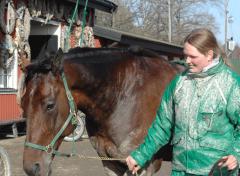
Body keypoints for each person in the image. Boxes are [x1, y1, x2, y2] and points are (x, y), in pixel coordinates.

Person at [126, 28, 240, 176]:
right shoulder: (178, 83)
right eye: (185, 55)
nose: (187, 61)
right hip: (180, 171)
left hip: (217, 171)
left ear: (209, 55)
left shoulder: (230, 84)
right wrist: (140, 156)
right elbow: (161, 127)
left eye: (193, 56)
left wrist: (236, 154)